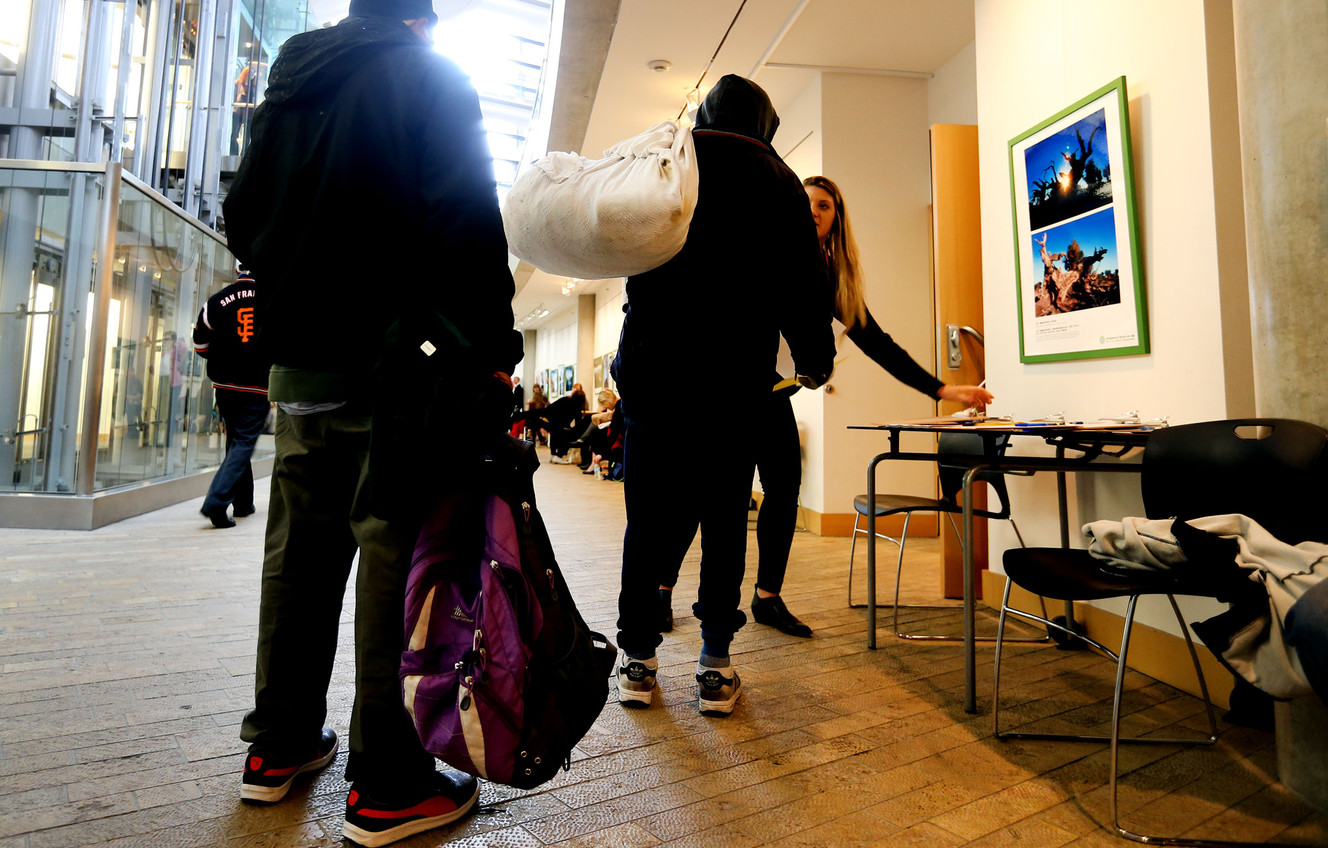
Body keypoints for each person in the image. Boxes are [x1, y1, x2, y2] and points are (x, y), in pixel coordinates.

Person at [220, 1, 522, 845]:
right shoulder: (429, 76)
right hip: (394, 370)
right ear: (421, 22)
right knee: (392, 555)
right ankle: (389, 781)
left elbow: (243, 213)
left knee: (300, 557)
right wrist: (493, 348)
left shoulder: (291, 79)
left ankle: (277, 746)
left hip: (299, 367)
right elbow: (466, 222)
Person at [611, 75, 835, 717]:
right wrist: (815, 361)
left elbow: (636, 268)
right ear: (765, 123)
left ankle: (639, 662)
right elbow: (802, 287)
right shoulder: (778, 181)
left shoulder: (669, 168)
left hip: (654, 377)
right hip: (734, 383)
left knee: (646, 522)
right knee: (723, 519)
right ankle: (713, 667)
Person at [722, 175, 992, 638]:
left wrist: (942, 390)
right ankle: (663, 589)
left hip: (772, 398)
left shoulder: (829, 277)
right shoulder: (763, 251)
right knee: (710, 497)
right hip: (728, 394)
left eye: (824, 205)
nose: (813, 211)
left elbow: (876, 342)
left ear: (835, 220)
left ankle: (767, 597)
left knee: (784, 491)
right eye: (805, 203)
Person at [192, 265, 269, 529]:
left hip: (225, 387)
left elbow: (200, 344)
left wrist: (223, 358)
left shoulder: (216, 301)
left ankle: (243, 503)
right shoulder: (271, 299)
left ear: (237, 270)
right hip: (257, 386)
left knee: (236, 441)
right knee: (244, 442)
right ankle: (217, 501)